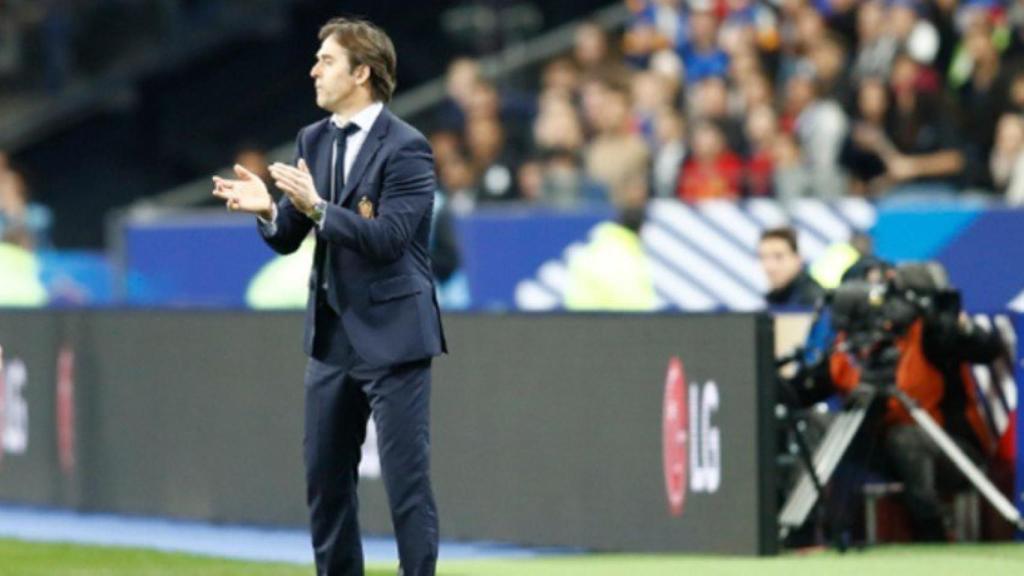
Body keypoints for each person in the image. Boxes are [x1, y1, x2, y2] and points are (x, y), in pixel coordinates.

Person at [211, 17, 445, 576]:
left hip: (394, 336)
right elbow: (292, 237)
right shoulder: (312, 140)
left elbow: (389, 240)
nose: (314, 69)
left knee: (406, 485)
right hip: (332, 337)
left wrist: (318, 209)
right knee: (325, 481)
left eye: (328, 60)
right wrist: (269, 208)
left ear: (362, 72)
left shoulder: (409, 149)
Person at [757, 226, 824, 309]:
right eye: (763, 257)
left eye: (778, 256)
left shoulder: (816, 302)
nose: (770, 267)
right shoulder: (774, 300)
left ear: (798, 259)